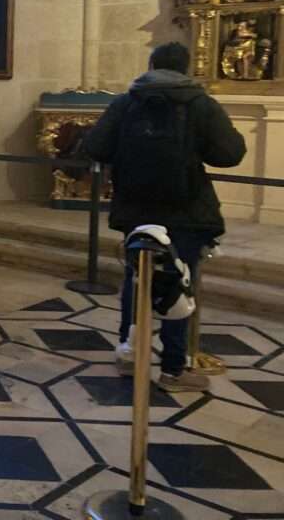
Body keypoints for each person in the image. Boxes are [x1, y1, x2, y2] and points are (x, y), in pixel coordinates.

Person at [84, 42, 246, 393]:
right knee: (179, 282)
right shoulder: (201, 104)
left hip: (135, 207)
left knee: (136, 277)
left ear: (151, 65)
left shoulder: (126, 103)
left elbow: (94, 147)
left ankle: (130, 353)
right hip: (185, 208)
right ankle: (173, 369)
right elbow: (231, 153)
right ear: (185, 68)